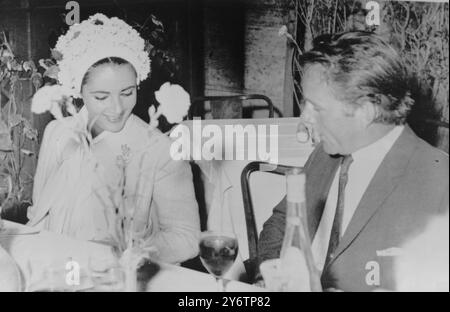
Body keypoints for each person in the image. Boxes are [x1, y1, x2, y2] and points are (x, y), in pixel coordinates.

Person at [257, 31, 449, 291]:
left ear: (366, 111)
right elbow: (280, 223)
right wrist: (274, 276)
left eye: (317, 108)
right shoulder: (326, 153)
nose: (305, 119)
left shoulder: (439, 183)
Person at [27, 14, 200, 264]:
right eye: (101, 97)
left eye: (127, 93)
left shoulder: (162, 150)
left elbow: (186, 237)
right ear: (79, 91)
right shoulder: (58, 133)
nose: (117, 108)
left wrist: (129, 253)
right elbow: (39, 210)